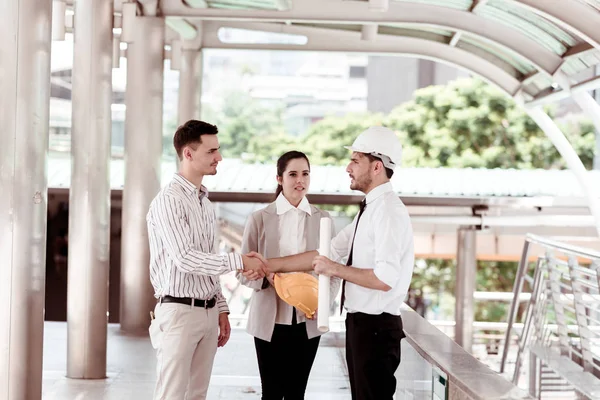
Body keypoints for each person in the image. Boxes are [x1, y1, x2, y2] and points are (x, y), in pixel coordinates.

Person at [251, 126, 415, 400]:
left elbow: (385, 279)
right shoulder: (370, 210)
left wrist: (333, 269)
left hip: (376, 328)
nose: (348, 168)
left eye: (355, 160)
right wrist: (268, 265)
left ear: (376, 167)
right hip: (362, 325)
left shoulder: (386, 211)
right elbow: (325, 252)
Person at [146, 119, 266, 400]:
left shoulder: (205, 203)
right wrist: (240, 262)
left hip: (208, 312)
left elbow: (207, 260)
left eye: (218, 150)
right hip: (178, 314)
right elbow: (186, 258)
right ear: (188, 153)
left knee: (197, 395)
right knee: (171, 395)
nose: (219, 157)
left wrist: (221, 307)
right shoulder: (169, 201)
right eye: (211, 151)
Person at [239, 151, 341, 400]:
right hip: (269, 320)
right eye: (293, 174)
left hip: (308, 320)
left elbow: (334, 271)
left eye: (305, 174)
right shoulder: (258, 220)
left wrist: (324, 303)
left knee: (297, 393)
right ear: (279, 178)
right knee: (271, 394)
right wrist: (269, 278)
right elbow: (242, 272)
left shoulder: (324, 220)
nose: (300, 180)